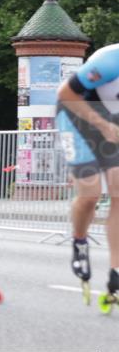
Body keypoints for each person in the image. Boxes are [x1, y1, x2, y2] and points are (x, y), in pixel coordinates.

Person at [56, 42, 119, 313]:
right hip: (76, 116)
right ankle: (80, 241)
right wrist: (102, 125)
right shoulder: (111, 61)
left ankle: (116, 270)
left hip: (112, 122)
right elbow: (65, 92)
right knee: (91, 194)